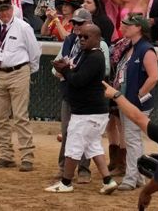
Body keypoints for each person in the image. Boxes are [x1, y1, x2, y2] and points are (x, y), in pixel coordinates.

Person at [47, 22, 119, 194]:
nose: (81, 39)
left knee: (73, 147)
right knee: (93, 147)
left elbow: (78, 81)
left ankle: (65, 183)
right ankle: (108, 180)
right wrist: (67, 69)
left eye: (86, 37)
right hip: (91, 111)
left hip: (87, 112)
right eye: (79, 36)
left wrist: (65, 71)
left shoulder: (95, 57)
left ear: (97, 38)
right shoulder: (88, 54)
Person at [0, 0, 42, 172]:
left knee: (20, 116)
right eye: (0, 10)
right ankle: (6, 155)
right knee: (0, 117)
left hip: (19, 71)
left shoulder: (23, 27)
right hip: (0, 73)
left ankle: (27, 157)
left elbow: (35, 52)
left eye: (6, 9)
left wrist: (28, 72)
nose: (4, 13)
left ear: (12, 8)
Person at [114, 14, 158, 191]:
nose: (124, 27)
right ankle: (138, 176)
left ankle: (132, 178)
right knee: (132, 139)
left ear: (139, 28)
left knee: (132, 139)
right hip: (128, 101)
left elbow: (154, 77)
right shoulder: (130, 47)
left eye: (128, 25)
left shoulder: (146, 49)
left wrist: (139, 95)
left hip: (136, 103)